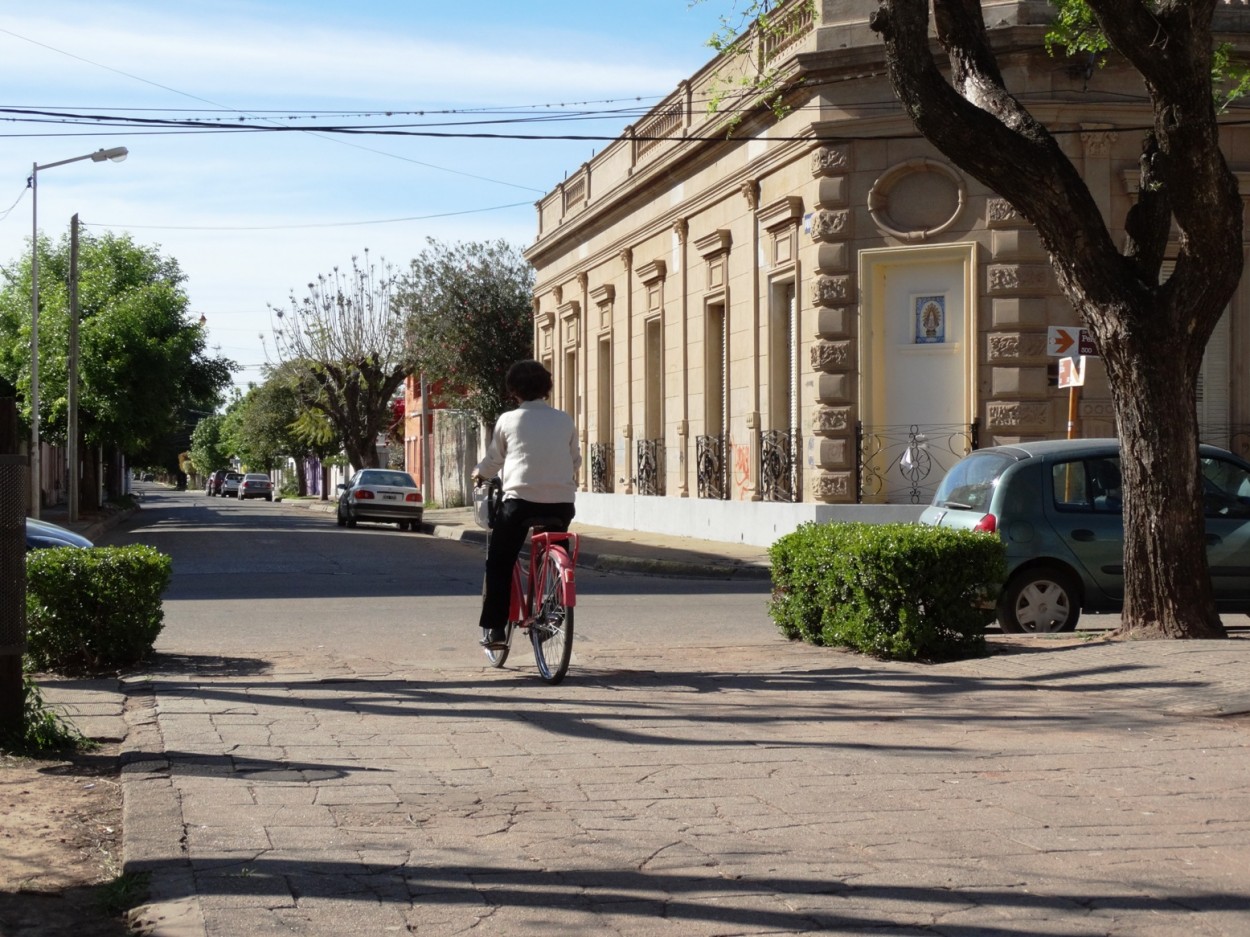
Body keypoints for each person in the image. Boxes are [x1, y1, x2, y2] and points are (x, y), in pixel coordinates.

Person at [472, 360, 581, 649]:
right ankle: (554, 607)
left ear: (514, 391)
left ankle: (495, 629)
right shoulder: (565, 419)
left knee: (499, 562)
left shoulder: (509, 420)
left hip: (519, 504)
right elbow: (575, 460)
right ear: (547, 388)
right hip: (560, 504)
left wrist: (479, 474)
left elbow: (495, 460)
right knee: (554, 547)